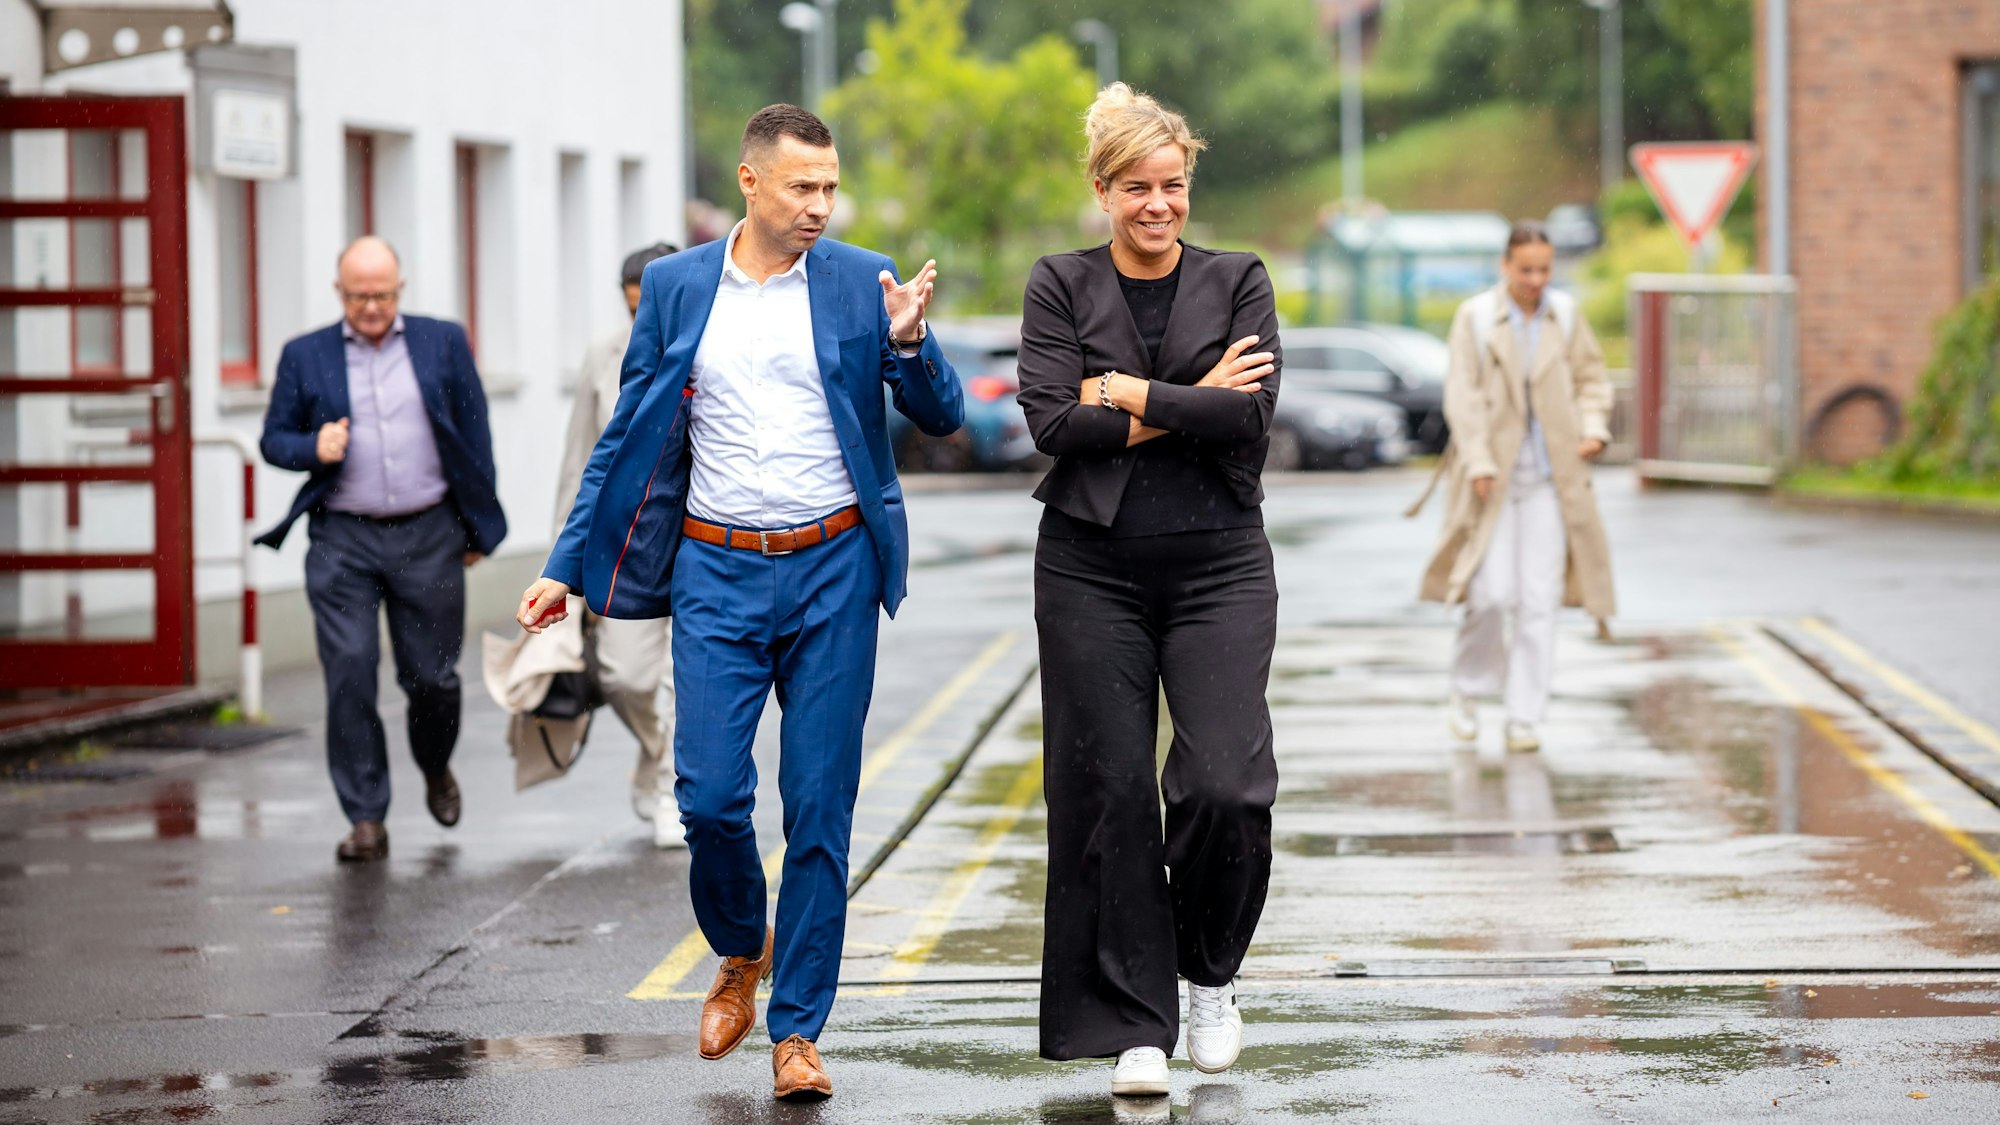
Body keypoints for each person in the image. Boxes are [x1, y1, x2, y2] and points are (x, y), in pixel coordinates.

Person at [514, 104, 960, 1103]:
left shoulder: (857, 278)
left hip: (833, 568)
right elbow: (625, 435)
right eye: (801, 187)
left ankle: (797, 1031)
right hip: (712, 572)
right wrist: (567, 562)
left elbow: (942, 416)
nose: (819, 205)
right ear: (751, 185)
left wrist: (908, 344)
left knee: (817, 811)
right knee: (710, 797)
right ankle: (736, 948)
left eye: (829, 188)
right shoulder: (676, 289)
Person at [1016, 82, 1281, 1099]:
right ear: (1102, 190)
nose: (1157, 205)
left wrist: (1122, 392)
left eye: (1171, 185)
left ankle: (1209, 974)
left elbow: (1247, 421)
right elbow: (1052, 424)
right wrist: (1190, 399)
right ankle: (1136, 1024)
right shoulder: (1057, 283)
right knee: (1108, 790)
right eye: (1136, 187)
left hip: (1218, 561)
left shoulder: (1238, 279)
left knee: (1222, 782)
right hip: (1089, 563)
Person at [256, 235, 506, 863]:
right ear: (340, 293)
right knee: (349, 672)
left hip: (429, 534)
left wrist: (477, 531)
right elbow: (272, 439)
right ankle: (366, 816)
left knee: (432, 678)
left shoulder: (441, 340)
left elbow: (475, 434)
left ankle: (434, 764)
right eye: (361, 296)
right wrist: (314, 447)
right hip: (343, 538)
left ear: (401, 290)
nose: (373, 306)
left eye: (384, 295)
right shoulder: (305, 354)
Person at [1416, 221, 1617, 752]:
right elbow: (1462, 396)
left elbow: (1592, 381)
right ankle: (1468, 690)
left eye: (1544, 269)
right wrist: (1479, 460)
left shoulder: (1566, 315)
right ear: (1505, 266)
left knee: (1539, 600)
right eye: (1525, 269)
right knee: (1490, 593)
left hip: (1553, 479)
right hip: (1492, 479)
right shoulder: (1477, 319)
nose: (1535, 279)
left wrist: (1593, 428)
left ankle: (1524, 717)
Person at [554, 240, 685, 847]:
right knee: (625, 675)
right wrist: (563, 565)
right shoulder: (603, 356)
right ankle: (656, 752)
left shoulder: (707, 340)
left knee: (687, 679)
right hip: (628, 545)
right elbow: (583, 458)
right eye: (633, 310)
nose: (642, 322)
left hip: (703, 537)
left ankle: (666, 788)